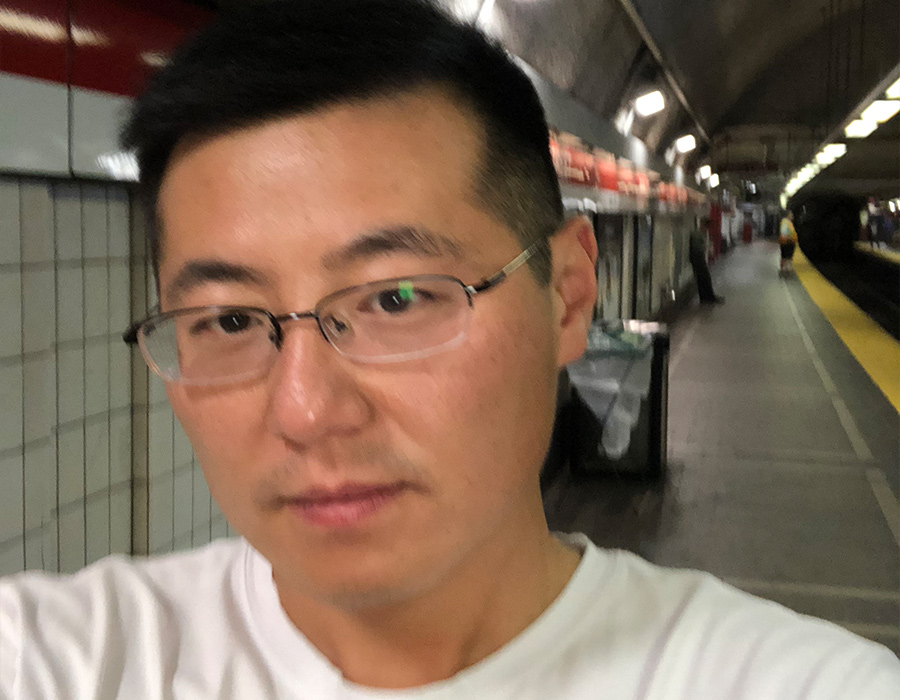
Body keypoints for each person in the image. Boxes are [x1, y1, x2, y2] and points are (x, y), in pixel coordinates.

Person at [2, 2, 898, 698]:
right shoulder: (68, 658)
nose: (306, 411)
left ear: (568, 298)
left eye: (397, 298)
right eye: (231, 321)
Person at [688, 216, 725, 304]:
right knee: (704, 278)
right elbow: (697, 248)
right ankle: (708, 298)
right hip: (697, 259)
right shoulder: (696, 234)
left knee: (703, 279)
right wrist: (705, 248)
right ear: (702, 224)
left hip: (699, 258)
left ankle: (707, 297)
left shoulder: (701, 233)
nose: (707, 229)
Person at [779, 209, 798, 274]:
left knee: (786, 256)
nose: (792, 216)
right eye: (791, 214)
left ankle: (786, 268)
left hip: (787, 242)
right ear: (787, 215)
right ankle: (787, 269)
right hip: (787, 242)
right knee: (787, 256)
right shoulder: (785, 222)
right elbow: (784, 232)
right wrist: (790, 239)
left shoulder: (786, 222)